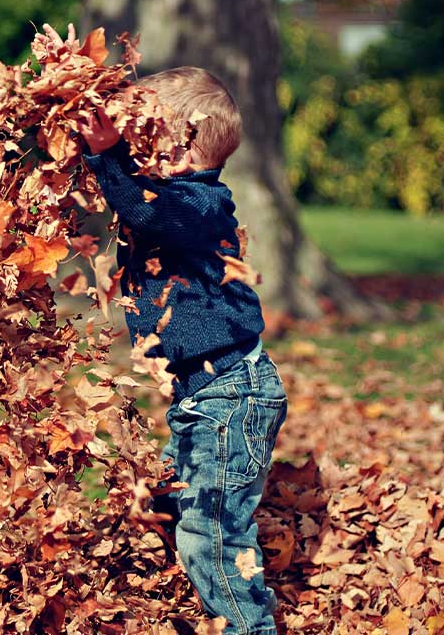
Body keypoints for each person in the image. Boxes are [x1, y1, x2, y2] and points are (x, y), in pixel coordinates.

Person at [81, 66, 288, 635]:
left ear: (176, 149)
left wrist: (105, 157)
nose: (127, 148)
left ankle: (250, 627)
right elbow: (137, 203)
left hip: (229, 399)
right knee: (167, 498)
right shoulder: (175, 200)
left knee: (213, 535)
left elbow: (144, 209)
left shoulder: (196, 205)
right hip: (206, 399)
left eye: (137, 137)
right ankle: (166, 591)